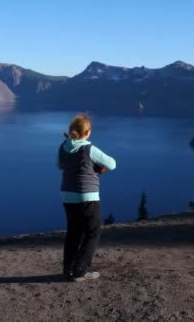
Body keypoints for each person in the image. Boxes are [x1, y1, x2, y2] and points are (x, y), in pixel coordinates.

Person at [57, 114, 116, 282]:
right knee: (93, 231)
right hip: (87, 195)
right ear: (88, 132)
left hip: (68, 194)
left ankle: (68, 268)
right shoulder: (89, 148)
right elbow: (112, 164)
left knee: (74, 232)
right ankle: (80, 270)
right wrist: (95, 166)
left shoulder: (63, 147)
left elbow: (60, 165)